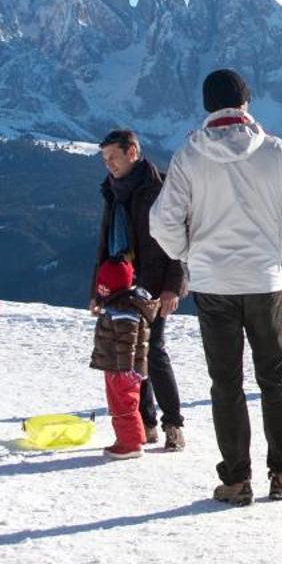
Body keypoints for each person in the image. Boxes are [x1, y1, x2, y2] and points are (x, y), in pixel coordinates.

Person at [149, 67, 282, 506]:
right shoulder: (279, 153)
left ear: (208, 107)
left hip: (212, 285)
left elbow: (161, 222)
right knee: (275, 379)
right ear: (246, 103)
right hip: (264, 281)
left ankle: (236, 480)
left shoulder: (189, 156)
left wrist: (190, 254)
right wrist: (279, 255)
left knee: (225, 382)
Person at [92, 128, 187, 451]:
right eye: (105, 159)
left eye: (114, 157)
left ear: (132, 152)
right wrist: (98, 289)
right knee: (132, 354)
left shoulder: (160, 187)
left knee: (154, 350)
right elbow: (105, 243)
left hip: (155, 285)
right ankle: (145, 423)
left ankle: (173, 424)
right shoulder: (112, 191)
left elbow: (178, 240)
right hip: (122, 286)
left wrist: (173, 287)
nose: (109, 165)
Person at [90, 259, 157, 460]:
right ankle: (126, 439)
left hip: (122, 369)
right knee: (118, 403)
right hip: (115, 366)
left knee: (124, 404)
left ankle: (131, 443)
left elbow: (128, 342)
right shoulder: (118, 303)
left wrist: (126, 369)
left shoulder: (124, 310)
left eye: (103, 285)